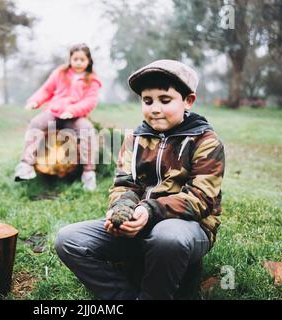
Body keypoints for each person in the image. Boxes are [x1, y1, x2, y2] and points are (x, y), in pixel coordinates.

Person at [55, 59, 225, 299]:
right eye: (148, 101)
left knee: (167, 237)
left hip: (187, 228)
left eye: (165, 100)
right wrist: (122, 208)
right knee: (68, 240)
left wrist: (149, 210)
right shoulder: (134, 139)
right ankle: (124, 296)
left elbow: (201, 198)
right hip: (139, 223)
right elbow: (124, 184)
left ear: (188, 101)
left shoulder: (205, 142)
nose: (155, 108)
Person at [14, 43, 102, 191]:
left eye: (82, 59)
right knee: (36, 123)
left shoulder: (92, 80)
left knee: (87, 129)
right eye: (75, 59)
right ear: (70, 59)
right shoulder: (60, 73)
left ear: (88, 61)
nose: (79, 63)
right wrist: (35, 101)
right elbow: (46, 90)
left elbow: (90, 101)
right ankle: (26, 165)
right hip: (54, 113)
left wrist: (73, 111)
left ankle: (88, 173)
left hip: (74, 117)